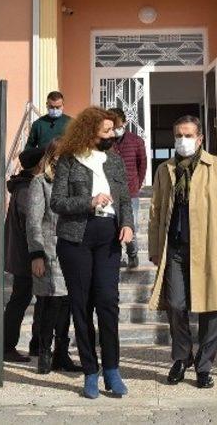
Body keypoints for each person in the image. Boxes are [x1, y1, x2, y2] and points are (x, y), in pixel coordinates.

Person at [149, 115, 217, 389]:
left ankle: (204, 366)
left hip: (209, 247)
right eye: (179, 135)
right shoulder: (165, 169)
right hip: (175, 247)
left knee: (210, 307)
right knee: (175, 304)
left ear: (200, 138)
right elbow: (155, 211)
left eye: (188, 135)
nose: (183, 140)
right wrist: (155, 247)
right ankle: (182, 357)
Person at [49, 107, 134, 399]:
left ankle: (112, 369)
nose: (112, 135)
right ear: (89, 132)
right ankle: (90, 371)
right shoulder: (69, 160)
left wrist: (127, 224)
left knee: (108, 301)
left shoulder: (115, 160)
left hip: (108, 235)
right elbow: (57, 202)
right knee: (81, 304)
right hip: (76, 238)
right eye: (106, 131)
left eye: (113, 130)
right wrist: (89, 201)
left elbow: (124, 198)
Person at [25, 143, 80, 375]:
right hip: (48, 251)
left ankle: (61, 353)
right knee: (50, 302)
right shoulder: (40, 182)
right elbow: (33, 221)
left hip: (71, 250)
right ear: (51, 157)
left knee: (67, 302)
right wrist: (36, 254)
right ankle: (44, 352)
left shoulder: (74, 183)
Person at [2, 146, 46, 363]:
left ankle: (35, 345)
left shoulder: (23, 186)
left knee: (34, 300)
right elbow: (32, 222)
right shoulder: (27, 189)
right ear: (38, 164)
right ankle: (7, 346)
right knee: (21, 300)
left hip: (25, 254)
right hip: (27, 256)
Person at [108, 107, 148, 269]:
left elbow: (142, 165)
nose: (115, 130)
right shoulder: (105, 142)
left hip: (130, 191)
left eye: (118, 126)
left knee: (131, 226)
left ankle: (132, 254)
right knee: (112, 227)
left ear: (124, 123)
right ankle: (115, 257)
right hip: (109, 192)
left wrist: (137, 184)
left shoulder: (136, 141)